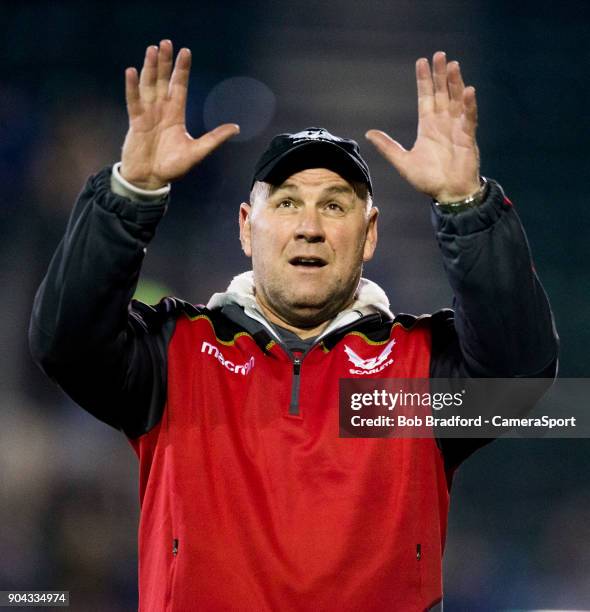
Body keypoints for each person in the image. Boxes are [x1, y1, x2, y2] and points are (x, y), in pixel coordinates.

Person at [29, 40, 558, 611]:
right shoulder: (175, 354)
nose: (309, 226)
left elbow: (519, 372)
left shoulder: (416, 375)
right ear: (245, 228)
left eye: (334, 205)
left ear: (370, 233)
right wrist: (129, 195)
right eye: (285, 204)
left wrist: (466, 207)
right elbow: (66, 341)